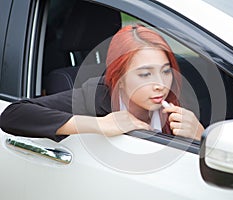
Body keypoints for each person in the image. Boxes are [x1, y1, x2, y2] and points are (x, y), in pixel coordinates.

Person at [0, 24, 204, 142]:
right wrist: (100, 124)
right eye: (145, 74)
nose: (160, 84)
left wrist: (200, 135)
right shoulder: (95, 97)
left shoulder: (173, 100)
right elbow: (13, 115)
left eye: (166, 71)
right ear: (120, 79)